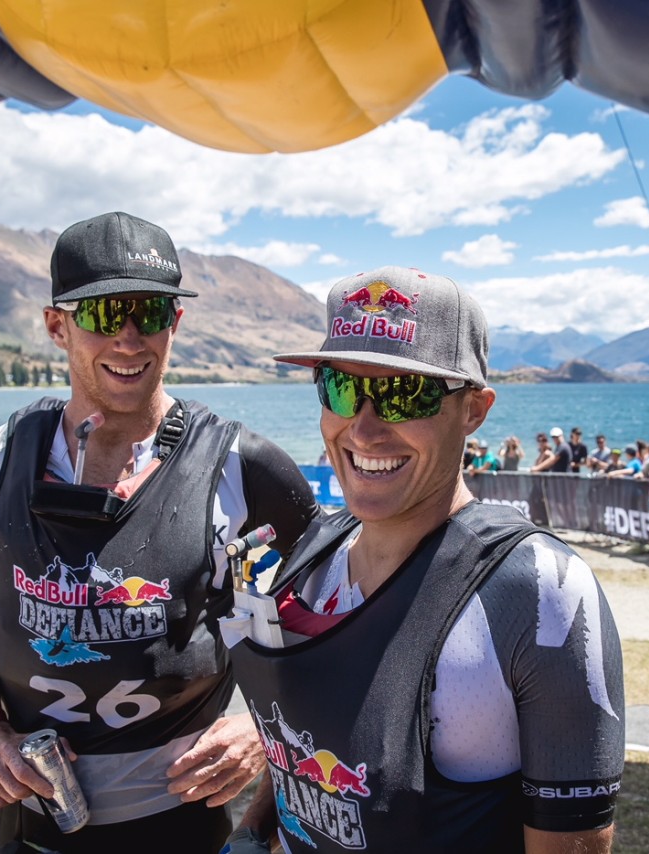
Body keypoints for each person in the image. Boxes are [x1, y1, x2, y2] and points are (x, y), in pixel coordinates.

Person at [0, 211, 319, 853]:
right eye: (105, 316)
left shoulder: (246, 470)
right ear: (58, 325)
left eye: (152, 313)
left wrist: (260, 727)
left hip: (184, 826)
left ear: (177, 323)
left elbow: (331, 630)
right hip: (32, 827)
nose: (131, 339)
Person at [226, 265, 624, 853]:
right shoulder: (312, 553)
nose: (363, 428)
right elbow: (307, 747)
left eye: (402, 393)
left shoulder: (540, 593)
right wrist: (253, 831)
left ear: (475, 410)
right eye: (339, 387)